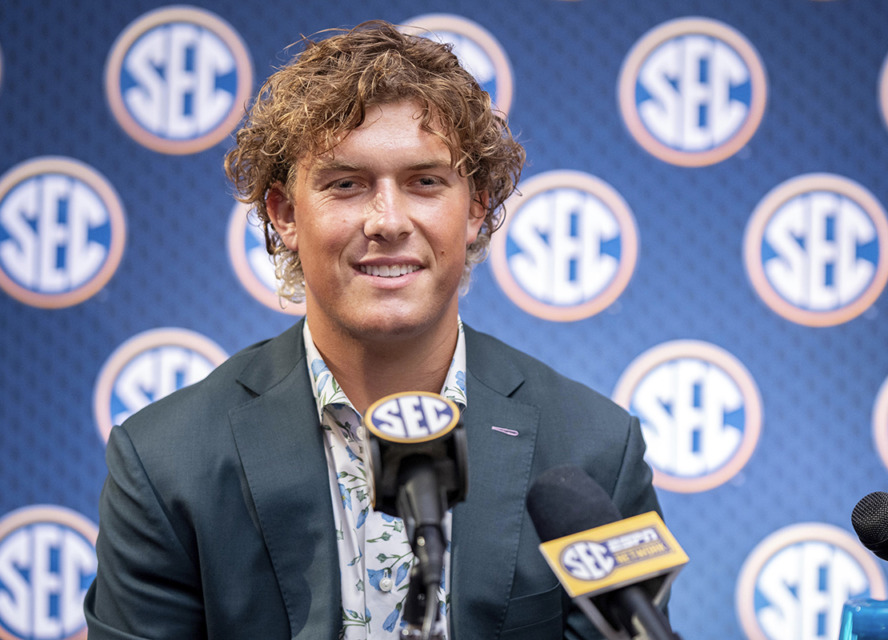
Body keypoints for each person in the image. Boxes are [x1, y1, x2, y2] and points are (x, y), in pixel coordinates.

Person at [83, 20, 663, 640]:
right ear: (284, 215)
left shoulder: (596, 449)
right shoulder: (166, 462)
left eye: (425, 182)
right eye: (346, 185)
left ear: (476, 208)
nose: (388, 221)